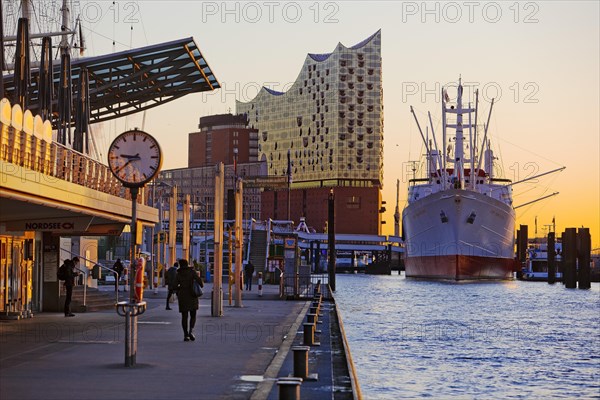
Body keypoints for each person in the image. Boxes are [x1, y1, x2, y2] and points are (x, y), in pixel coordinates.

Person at [176, 259, 203, 341]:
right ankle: (191, 331)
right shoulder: (192, 272)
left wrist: (179, 289)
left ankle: (185, 335)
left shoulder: (179, 274)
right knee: (193, 314)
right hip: (192, 295)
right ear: (187, 264)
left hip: (183, 296)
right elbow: (200, 283)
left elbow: (174, 285)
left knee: (184, 316)